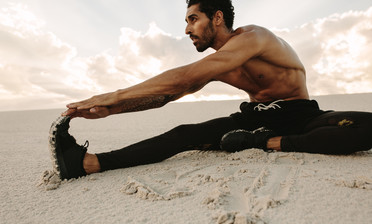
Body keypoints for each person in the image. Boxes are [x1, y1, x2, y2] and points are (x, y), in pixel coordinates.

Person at [50, 0, 372, 180]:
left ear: (217, 18)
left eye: (193, 19)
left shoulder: (255, 38)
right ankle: (87, 163)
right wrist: (113, 110)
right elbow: (170, 94)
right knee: (182, 134)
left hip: (298, 116)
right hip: (253, 118)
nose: (187, 29)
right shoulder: (221, 63)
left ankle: (265, 142)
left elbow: (183, 76)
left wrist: (116, 94)